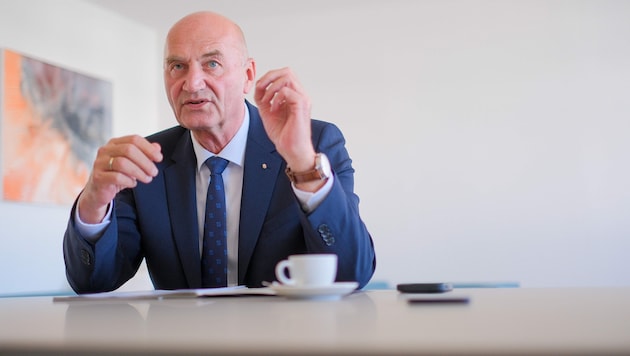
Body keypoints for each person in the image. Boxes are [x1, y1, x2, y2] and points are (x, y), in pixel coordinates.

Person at [63, 11, 376, 293]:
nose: (192, 83)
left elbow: (353, 273)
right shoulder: (147, 162)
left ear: (248, 76)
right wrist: (94, 201)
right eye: (177, 66)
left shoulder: (315, 143)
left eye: (211, 63)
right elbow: (93, 282)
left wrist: (303, 165)